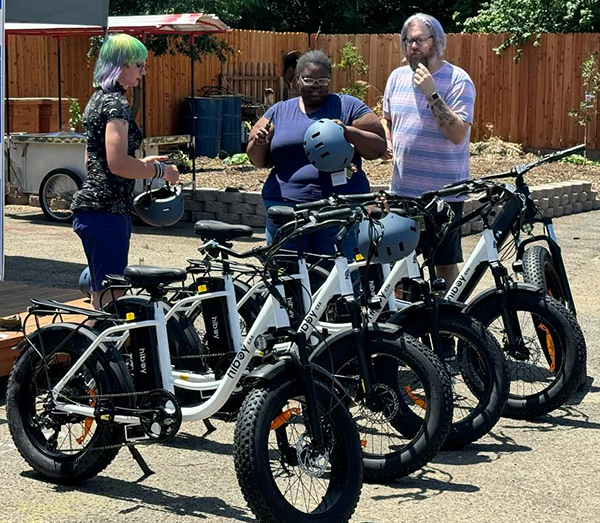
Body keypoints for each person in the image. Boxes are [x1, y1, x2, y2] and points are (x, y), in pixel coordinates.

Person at [71, 34, 179, 309]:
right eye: (139, 65)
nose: (144, 71)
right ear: (121, 66)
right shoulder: (116, 104)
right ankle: (101, 351)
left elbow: (92, 160)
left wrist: (141, 163)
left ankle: (96, 349)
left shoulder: (97, 99)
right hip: (107, 211)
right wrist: (159, 171)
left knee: (102, 295)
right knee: (112, 301)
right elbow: (117, 164)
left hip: (94, 210)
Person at [247, 49, 386, 256]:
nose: (316, 86)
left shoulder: (347, 106)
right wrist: (259, 142)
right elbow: (258, 160)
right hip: (287, 208)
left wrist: (347, 132)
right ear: (297, 79)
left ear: (330, 79)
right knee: (288, 278)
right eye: (309, 79)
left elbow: (378, 147)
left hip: (340, 209)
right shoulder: (279, 111)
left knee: (340, 278)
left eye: (322, 80)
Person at [381, 13, 476, 285]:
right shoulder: (396, 78)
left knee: (443, 267)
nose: (413, 46)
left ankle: (448, 326)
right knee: (400, 267)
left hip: (443, 195)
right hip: (402, 192)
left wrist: (431, 93)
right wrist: (387, 139)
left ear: (437, 41)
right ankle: (406, 325)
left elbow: (457, 133)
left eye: (420, 40)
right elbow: (386, 119)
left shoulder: (458, 80)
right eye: (408, 40)